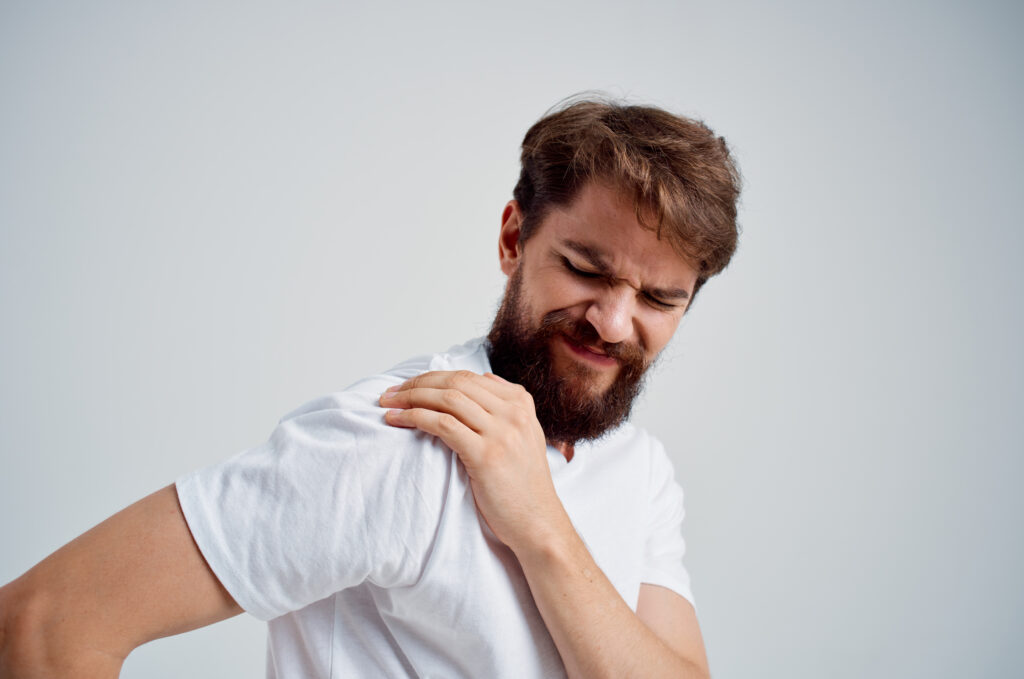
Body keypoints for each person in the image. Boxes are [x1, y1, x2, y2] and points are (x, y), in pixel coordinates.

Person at [0, 97, 740, 678]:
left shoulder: (639, 472)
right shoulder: (401, 437)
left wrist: (540, 527)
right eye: (584, 268)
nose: (613, 322)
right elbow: (44, 624)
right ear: (514, 238)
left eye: (658, 299)